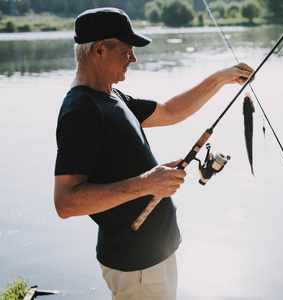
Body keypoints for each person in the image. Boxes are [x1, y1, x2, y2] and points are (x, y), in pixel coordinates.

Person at [54, 7, 254, 300]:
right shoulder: (80, 111)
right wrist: (147, 183)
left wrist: (222, 78)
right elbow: (66, 202)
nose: (133, 59)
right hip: (136, 264)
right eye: (126, 51)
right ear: (99, 50)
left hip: (153, 254)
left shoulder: (111, 95)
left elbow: (171, 111)